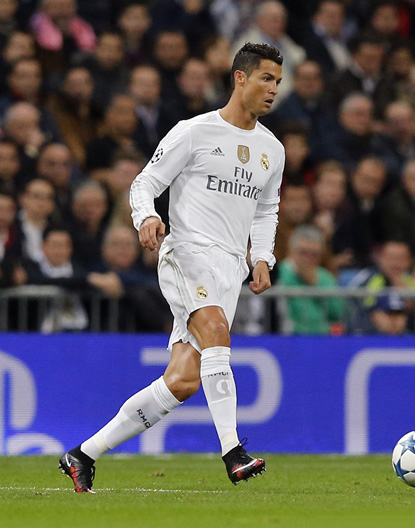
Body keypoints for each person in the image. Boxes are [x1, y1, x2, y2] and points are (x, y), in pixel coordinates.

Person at [59, 42, 285, 492]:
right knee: (217, 332)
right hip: (187, 252)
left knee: (182, 381)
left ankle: (83, 454)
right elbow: (145, 182)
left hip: (228, 269)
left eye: (277, 81)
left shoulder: (272, 150)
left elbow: (267, 211)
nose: (273, 89)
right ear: (239, 78)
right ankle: (233, 452)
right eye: (265, 78)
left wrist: (262, 257)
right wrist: (146, 216)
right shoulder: (193, 132)